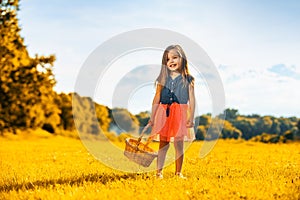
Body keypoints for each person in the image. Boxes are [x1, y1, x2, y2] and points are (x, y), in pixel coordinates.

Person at [148, 44, 195, 179]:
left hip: (180, 112)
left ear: (182, 59)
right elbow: (156, 98)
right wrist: (152, 117)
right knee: (163, 143)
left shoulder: (188, 79)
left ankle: (178, 172)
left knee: (178, 143)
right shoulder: (162, 79)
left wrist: (191, 117)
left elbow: (192, 99)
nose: (171, 61)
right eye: (168, 59)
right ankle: (159, 172)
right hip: (164, 112)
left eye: (175, 57)